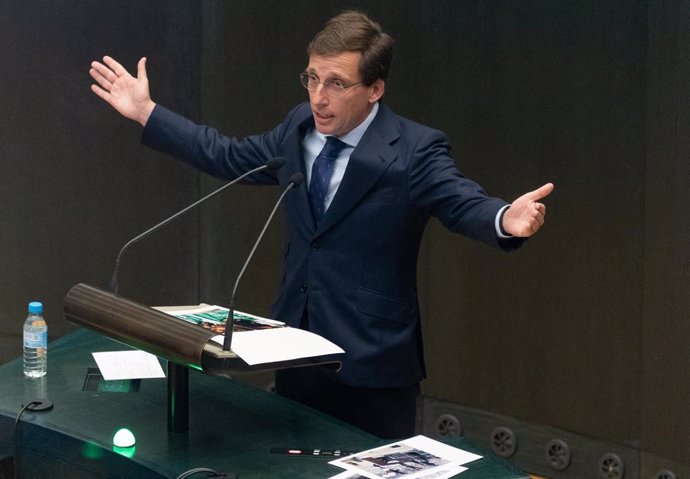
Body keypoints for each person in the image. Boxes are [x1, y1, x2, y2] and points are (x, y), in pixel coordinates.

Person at [89, 11, 553, 439]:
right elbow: (228, 155)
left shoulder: (414, 149)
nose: (318, 97)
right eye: (312, 78)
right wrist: (147, 112)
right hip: (295, 352)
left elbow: (458, 200)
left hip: (371, 365)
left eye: (336, 83)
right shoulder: (298, 128)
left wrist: (504, 218)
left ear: (375, 89)